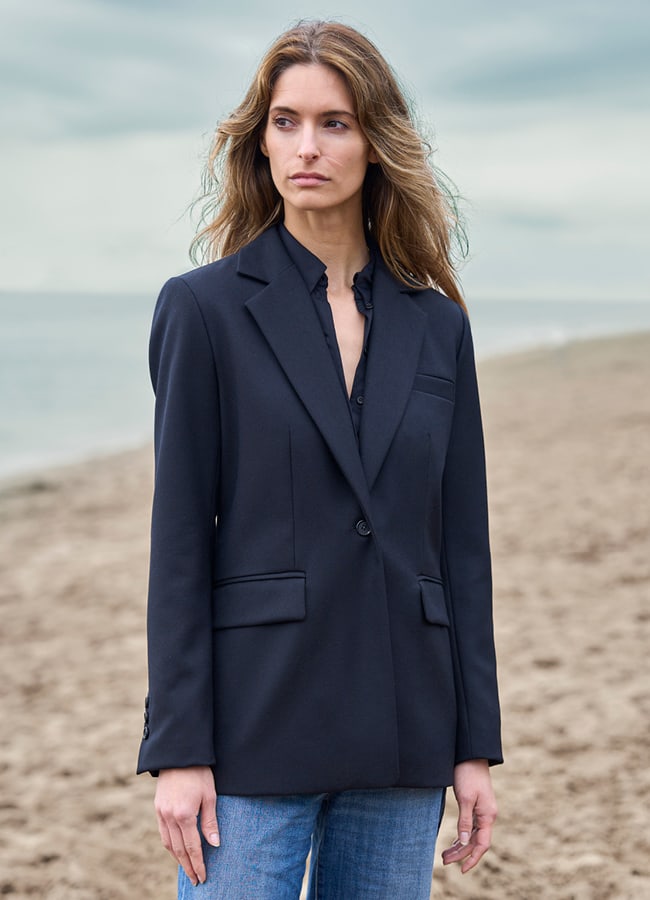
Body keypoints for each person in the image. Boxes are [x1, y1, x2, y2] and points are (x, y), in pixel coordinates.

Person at [137, 19, 502, 899]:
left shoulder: (437, 324)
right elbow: (180, 540)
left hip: (405, 725)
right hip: (255, 726)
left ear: (376, 141)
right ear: (259, 141)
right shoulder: (204, 311)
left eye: (335, 123)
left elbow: (461, 547)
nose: (308, 146)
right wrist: (178, 750)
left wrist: (474, 743)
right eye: (286, 121)